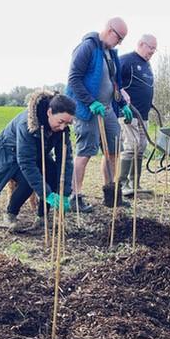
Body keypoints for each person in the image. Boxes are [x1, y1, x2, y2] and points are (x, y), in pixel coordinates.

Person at [0, 91, 75, 232]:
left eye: (68, 123)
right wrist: (47, 194)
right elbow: (26, 162)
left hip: (35, 154)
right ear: (49, 112)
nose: (63, 127)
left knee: (53, 173)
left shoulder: (62, 129)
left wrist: (65, 193)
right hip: (8, 157)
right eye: (61, 122)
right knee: (28, 181)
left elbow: (65, 160)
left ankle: (42, 218)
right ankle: (10, 214)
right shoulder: (27, 124)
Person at [66, 17, 132, 212]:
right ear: (110, 31)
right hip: (87, 110)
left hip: (107, 109)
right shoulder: (87, 47)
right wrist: (90, 102)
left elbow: (114, 83)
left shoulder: (110, 53)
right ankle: (75, 196)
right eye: (119, 38)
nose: (119, 43)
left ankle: (111, 194)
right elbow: (74, 79)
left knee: (113, 151)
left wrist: (122, 103)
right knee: (85, 152)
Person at [118, 34, 157, 196]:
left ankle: (136, 184)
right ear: (141, 44)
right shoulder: (126, 60)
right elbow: (113, 81)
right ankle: (122, 184)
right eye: (151, 48)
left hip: (143, 115)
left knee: (141, 148)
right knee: (131, 146)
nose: (153, 52)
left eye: (155, 49)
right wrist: (121, 94)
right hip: (128, 114)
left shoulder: (147, 65)